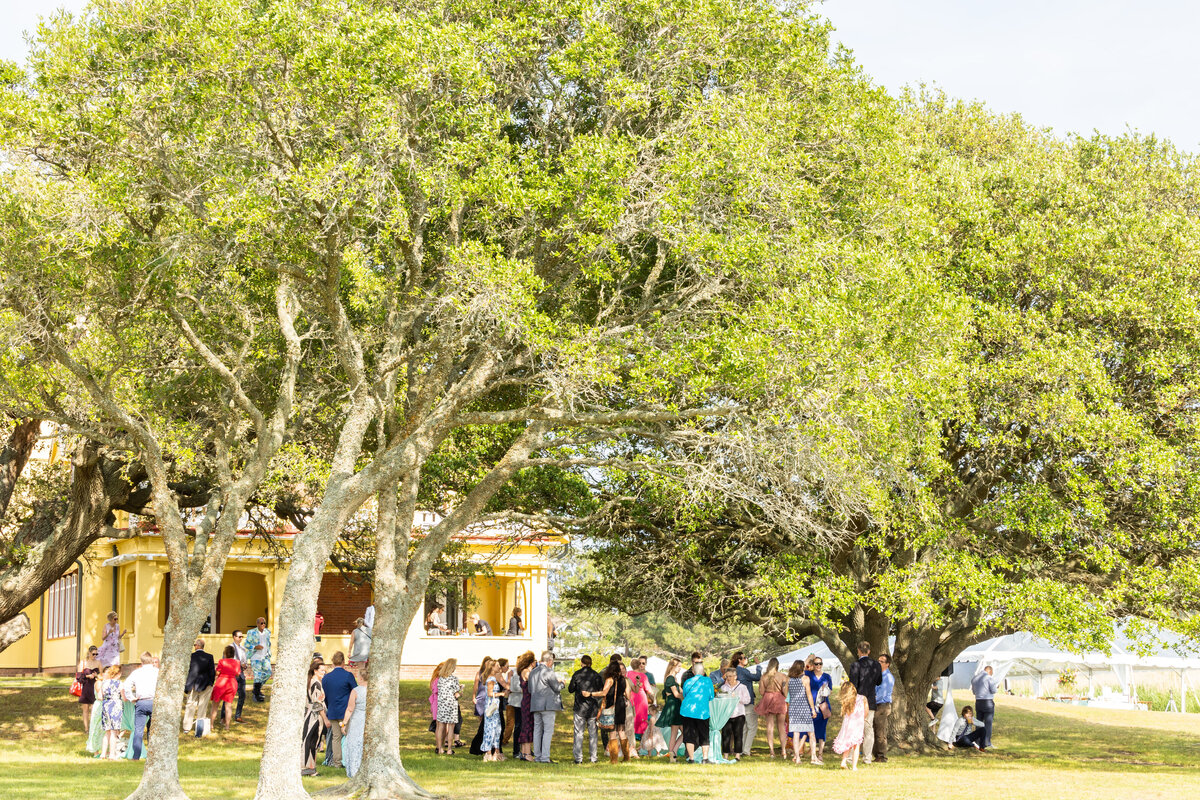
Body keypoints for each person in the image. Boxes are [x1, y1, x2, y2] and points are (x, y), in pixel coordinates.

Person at [846, 640, 882, 764]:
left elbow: (853, 685)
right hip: (871, 699)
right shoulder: (876, 665)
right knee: (868, 729)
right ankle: (867, 758)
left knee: (854, 728)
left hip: (858, 700)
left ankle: (850, 757)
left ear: (858, 651)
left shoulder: (855, 665)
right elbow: (879, 682)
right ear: (869, 651)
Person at [322, 651, 358, 768]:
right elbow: (355, 692)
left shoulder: (326, 677)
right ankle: (348, 761)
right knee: (348, 735)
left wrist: (329, 706)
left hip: (332, 710)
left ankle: (337, 762)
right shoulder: (348, 676)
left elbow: (325, 695)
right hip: (345, 711)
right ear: (343, 662)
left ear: (333, 662)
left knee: (335, 738)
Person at [122, 651, 158, 760]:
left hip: (141, 701)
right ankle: (152, 755)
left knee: (138, 730)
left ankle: (136, 756)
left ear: (141, 662)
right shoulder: (157, 671)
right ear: (151, 660)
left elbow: (126, 685)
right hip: (154, 702)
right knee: (153, 730)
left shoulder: (137, 672)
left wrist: (131, 697)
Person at [529, 650, 564, 763]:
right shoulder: (549, 672)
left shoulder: (532, 672)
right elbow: (556, 688)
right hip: (547, 705)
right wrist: (562, 683)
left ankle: (538, 757)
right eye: (552, 661)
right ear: (549, 661)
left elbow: (530, 689)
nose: (552, 663)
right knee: (548, 731)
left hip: (535, 704)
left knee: (537, 731)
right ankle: (545, 757)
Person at [595, 655, 631, 763]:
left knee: (612, 732)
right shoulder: (624, 680)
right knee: (621, 731)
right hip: (621, 705)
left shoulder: (609, 679)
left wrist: (590, 693)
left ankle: (614, 759)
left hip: (612, 706)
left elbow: (604, 692)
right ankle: (626, 757)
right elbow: (628, 695)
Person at [568, 654, 602, 764]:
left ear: (582, 663)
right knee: (593, 734)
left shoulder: (577, 674)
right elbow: (600, 691)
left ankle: (578, 758)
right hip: (593, 708)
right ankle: (593, 757)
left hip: (579, 707)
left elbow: (570, 689)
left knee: (578, 733)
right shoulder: (596, 675)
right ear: (590, 663)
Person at [679, 662, 714, 763]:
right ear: (703, 672)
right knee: (704, 735)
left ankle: (691, 758)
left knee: (689, 735)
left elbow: (685, 694)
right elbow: (711, 696)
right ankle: (705, 758)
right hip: (702, 712)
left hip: (687, 711)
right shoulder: (708, 681)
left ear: (693, 672)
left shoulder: (688, 681)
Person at [731, 651, 763, 755]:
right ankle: (746, 750)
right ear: (739, 660)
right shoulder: (743, 671)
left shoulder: (735, 671)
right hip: (747, 702)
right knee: (752, 726)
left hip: (738, 703)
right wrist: (758, 664)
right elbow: (757, 677)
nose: (746, 659)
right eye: (744, 657)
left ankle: (740, 750)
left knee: (743, 727)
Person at [182, 638, 216, 734]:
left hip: (192, 684)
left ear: (197, 646)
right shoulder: (209, 657)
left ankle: (186, 728)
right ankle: (200, 729)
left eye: (194, 645)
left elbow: (187, 671)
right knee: (202, 706)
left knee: (190, 705)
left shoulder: (190, 656)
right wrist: (210, 683)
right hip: (205, 684)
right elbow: (212, 672)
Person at [785, 661, 817, 764]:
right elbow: (809, 695)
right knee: (811, 733)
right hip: (803, 707)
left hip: (793, 708)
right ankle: (813, 757)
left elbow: (786, 693)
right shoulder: (805, 679)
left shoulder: (789, 679)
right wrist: (812, 709)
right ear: (802, 668)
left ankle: (797, 757)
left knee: (796, 733)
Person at [301, 659, 329, 776]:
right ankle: (308, 767)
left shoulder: (311, 682)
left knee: (309, 741)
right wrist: (325, 719)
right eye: (321, 670)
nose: (324, 673)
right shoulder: (315, 683)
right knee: (312, 741)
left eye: (324, 671)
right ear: (315, 670)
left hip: (309, 715)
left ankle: (308, 767)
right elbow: (317, 704)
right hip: (314, 717)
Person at [756, 657, 787, 758]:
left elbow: (761, 692)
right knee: (781, 726)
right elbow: (785, 692)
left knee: (770, 726)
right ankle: (783, 751)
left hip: (768, 699)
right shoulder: (782, 676)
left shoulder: (764, 677)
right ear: (778, 666)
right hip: (780, 699)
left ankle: (772, 751)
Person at [832, 681, 867, 770]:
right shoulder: (862, 698)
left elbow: (846, 713)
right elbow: (866, 712)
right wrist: (862, 718)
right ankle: (854, 766)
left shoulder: (846, 701)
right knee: (856, 745)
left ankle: (844, 761)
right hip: (858, 724)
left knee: (848, 744)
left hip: (848, 725)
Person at [718, 667, 751, 761]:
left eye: (731, 676)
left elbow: (747, 700)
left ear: (735, 676)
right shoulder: (724, 687)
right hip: (727, 714)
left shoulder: (742, 687)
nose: (729, 678)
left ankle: (737, 755)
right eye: (727, 676)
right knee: (725, 735)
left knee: (738, 734)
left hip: (739, 714)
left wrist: (737, 698)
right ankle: (725, 755)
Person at [655, 657, 684, 761]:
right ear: (673, 666)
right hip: (673, 707)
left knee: (683, 732)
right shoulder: (670, 678)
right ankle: (672, 754)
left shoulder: (673, 678)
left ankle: (673, 752)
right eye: (679, 666)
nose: (680, 668)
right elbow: (676, 694)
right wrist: (684, 697)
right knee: (674, 732)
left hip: (677, 706)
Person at [806, 654, 834, 762]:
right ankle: (812, 752)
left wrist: (824, 691)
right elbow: (801, 667)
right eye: (816, 663)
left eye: (820, 664)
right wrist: (809, 658)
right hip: (810, 706)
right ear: (813, 664)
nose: (818, 666)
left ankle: (820, 753)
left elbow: (830, 690)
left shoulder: (827, 676)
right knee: (810, 730)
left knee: (822, 730)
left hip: (823, 706)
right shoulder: (808, 674)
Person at [341, 665, 368, 777]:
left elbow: (350, 709)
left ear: (361, 678)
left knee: (354, 743)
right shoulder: (372, 690)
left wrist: (344, 723)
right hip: (367, 719)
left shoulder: (355, 691)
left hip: (357, 720)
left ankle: (354, 770)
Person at [210, 645, 241, 732]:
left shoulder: (222, 661)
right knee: (228, 706)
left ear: (225, 653)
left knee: (215, 706)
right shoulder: (237, 662)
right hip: (232, 683)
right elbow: (238, 674)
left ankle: (211, 725)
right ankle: (227, 726)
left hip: (221, 683)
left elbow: (217, 673)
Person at [468, 657, 495, 756]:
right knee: (482, 723)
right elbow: (475, 685)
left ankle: (485, 744)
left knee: (487, 722)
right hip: (481, 699)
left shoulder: (492, 674)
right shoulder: (480, 673)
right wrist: (474, 696)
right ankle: (480, 743)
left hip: (489, 700)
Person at [98, 664, 125, 760]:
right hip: (115, 706)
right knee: (114, 732)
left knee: (107, 732)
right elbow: (124, 698)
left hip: (106, 706)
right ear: (118, 673)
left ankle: (103, 754)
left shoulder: (104, 683)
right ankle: (112, 754)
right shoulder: (120, 684)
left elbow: (100, 697)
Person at [481, 661, 506, 761]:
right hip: (491, 708)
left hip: (495, 709)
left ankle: (496, 752)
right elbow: (490, 693)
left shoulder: (494, 678)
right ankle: (488, 753)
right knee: (490, 730)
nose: (499, 667)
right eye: (497, 666)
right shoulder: (491, 679)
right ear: (492, 668)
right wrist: (500, 694)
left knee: (497, 729)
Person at [435, 658, 461, 754]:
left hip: (442, 705)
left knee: (440, 727)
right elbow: (457, 694)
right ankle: (449, 749)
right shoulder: (454, 679)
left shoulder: (441, 679)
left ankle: (440, 748)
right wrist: (461, 690)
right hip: (451, 705)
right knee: (451, 728)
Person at [503, 654, 527, 753]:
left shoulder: (525, 672)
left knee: (524, 726)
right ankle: (516, 750)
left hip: (523, 703)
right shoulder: (513, 672)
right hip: (515, 702)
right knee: (517, 726)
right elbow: (512, 687)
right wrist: (524, 689)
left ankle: (525, 748)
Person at [627, 657, 652, 751]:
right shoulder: (643, 676)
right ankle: (642, 744)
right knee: (642, 721)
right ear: (639, 665)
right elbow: (649, 690)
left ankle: (631, 743)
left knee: (632, 719)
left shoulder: (628, 674)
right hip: (641, 698)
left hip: (631, 697)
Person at [971, 665, 999, 748]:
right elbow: (993, 690)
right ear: (990, 671)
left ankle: (977, 741)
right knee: (988, 723)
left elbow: (974, 692)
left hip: (978, 702)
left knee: (979, 722)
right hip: (987, 702)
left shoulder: (974, 678)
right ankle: (987, 742)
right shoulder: (989, 678)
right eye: (992, 673)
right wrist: (996, 687)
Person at [245, 617, 273, 702]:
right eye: (261, 623)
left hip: (265, 657)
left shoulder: (267, 632)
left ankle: (256, 690)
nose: (263, 624)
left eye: (264, 623)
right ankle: (256, 696)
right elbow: (246, 644)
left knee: (268, 673)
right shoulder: (251, 632)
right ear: (257, 624)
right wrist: (255, 647)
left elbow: (268, 643)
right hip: (255, 657)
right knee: (257, 676)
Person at [515, 651, 536, 761]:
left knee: (526, 725)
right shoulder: (526, 672)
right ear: (531, 662)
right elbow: (534, 683)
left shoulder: (525, 671)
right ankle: (527, 753)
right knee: (528, 726)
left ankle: (524, 752)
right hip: (528, 701)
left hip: (526, 700)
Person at [874, 653, 894, 763]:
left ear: (887, 664)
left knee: (880, 732)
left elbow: (881, 694)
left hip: (882, 705)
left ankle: (882, 756)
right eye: (878, 661)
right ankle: (876, 754)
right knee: (874, 730)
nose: (878, 663)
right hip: (876, 704)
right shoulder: (878, 675)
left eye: (881, 661)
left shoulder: (888, 677)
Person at [76, 645, 101, 732]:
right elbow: (78, 677)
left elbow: (102, 675)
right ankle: (86, 728)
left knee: (94, 709)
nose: (95, 656)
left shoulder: (98, 663)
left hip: (95, 687)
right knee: (85, 709)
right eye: (93, 654)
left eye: (96, 654)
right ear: (89, 653)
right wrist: (87, 676)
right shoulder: (83, 663)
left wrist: (96, 675)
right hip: (86, 687)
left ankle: (93, 727)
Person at [228, 629, 249, 722]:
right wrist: (240, 664)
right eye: (239, 636)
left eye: (242, 637)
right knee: (228, 696)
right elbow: (227, 661)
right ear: (234, 637)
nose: (241, 638)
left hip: (241, 674)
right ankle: (223, 717)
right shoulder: (229, 648)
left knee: (242, 695)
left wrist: (245, 665)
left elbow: (245, 661)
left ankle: (238, 716)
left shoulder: (243, 649)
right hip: (232, 675)